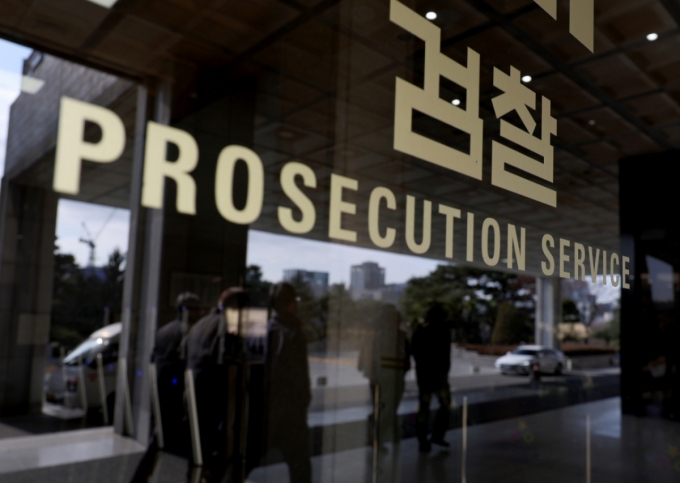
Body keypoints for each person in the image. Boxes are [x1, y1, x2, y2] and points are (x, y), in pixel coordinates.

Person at [185, 287, 248, 472]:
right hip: (210, 397)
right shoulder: (223, 324)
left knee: (197, 453)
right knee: (210, 456)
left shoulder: (201, 323)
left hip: (193, 393)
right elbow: (224, 359)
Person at [262, 282, 312, 483]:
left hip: (269, 408)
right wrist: (302, 401)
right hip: (290, 412)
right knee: (300, 465)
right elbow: (298, 375)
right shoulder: (292, 333)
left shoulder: (267, 330)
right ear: (289, 304)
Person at [152, 291, 202, 456]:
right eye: (196, 309)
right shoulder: (189, 332)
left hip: (162, 385)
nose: (199, 313)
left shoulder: (163, 330)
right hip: (177, 387)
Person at [358, 304, 409, 451]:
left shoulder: (376, 335)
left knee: (383, 408)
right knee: (388, 408)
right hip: (390, 376)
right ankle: (379, 437)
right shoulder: (398, 336)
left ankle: (379, 436)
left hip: (379, 376)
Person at [410, 303, 452, 453]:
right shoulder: (442, 330)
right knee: (442, 405)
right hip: (436, 374)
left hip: (426, 374)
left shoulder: (423, 329)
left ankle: (423, 438)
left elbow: (414, 349)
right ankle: (435, 435)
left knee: (425, 408)